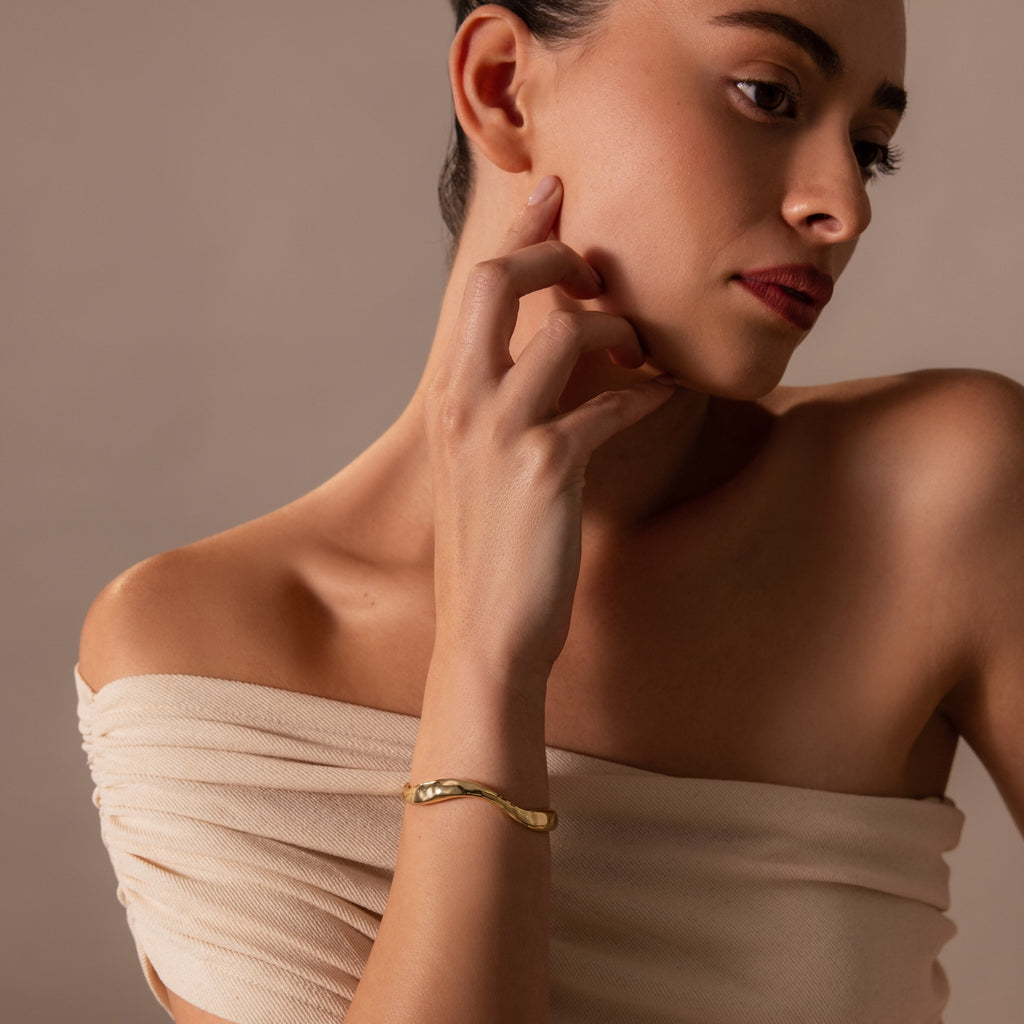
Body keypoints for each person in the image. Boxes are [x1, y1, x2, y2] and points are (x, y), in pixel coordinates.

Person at [76, 1, 1024, 1022]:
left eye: (870, 148)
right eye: (767, 95)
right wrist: (486, 661)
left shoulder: (931, 501)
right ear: (501, 88)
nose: (842, 204)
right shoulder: (193, 655)